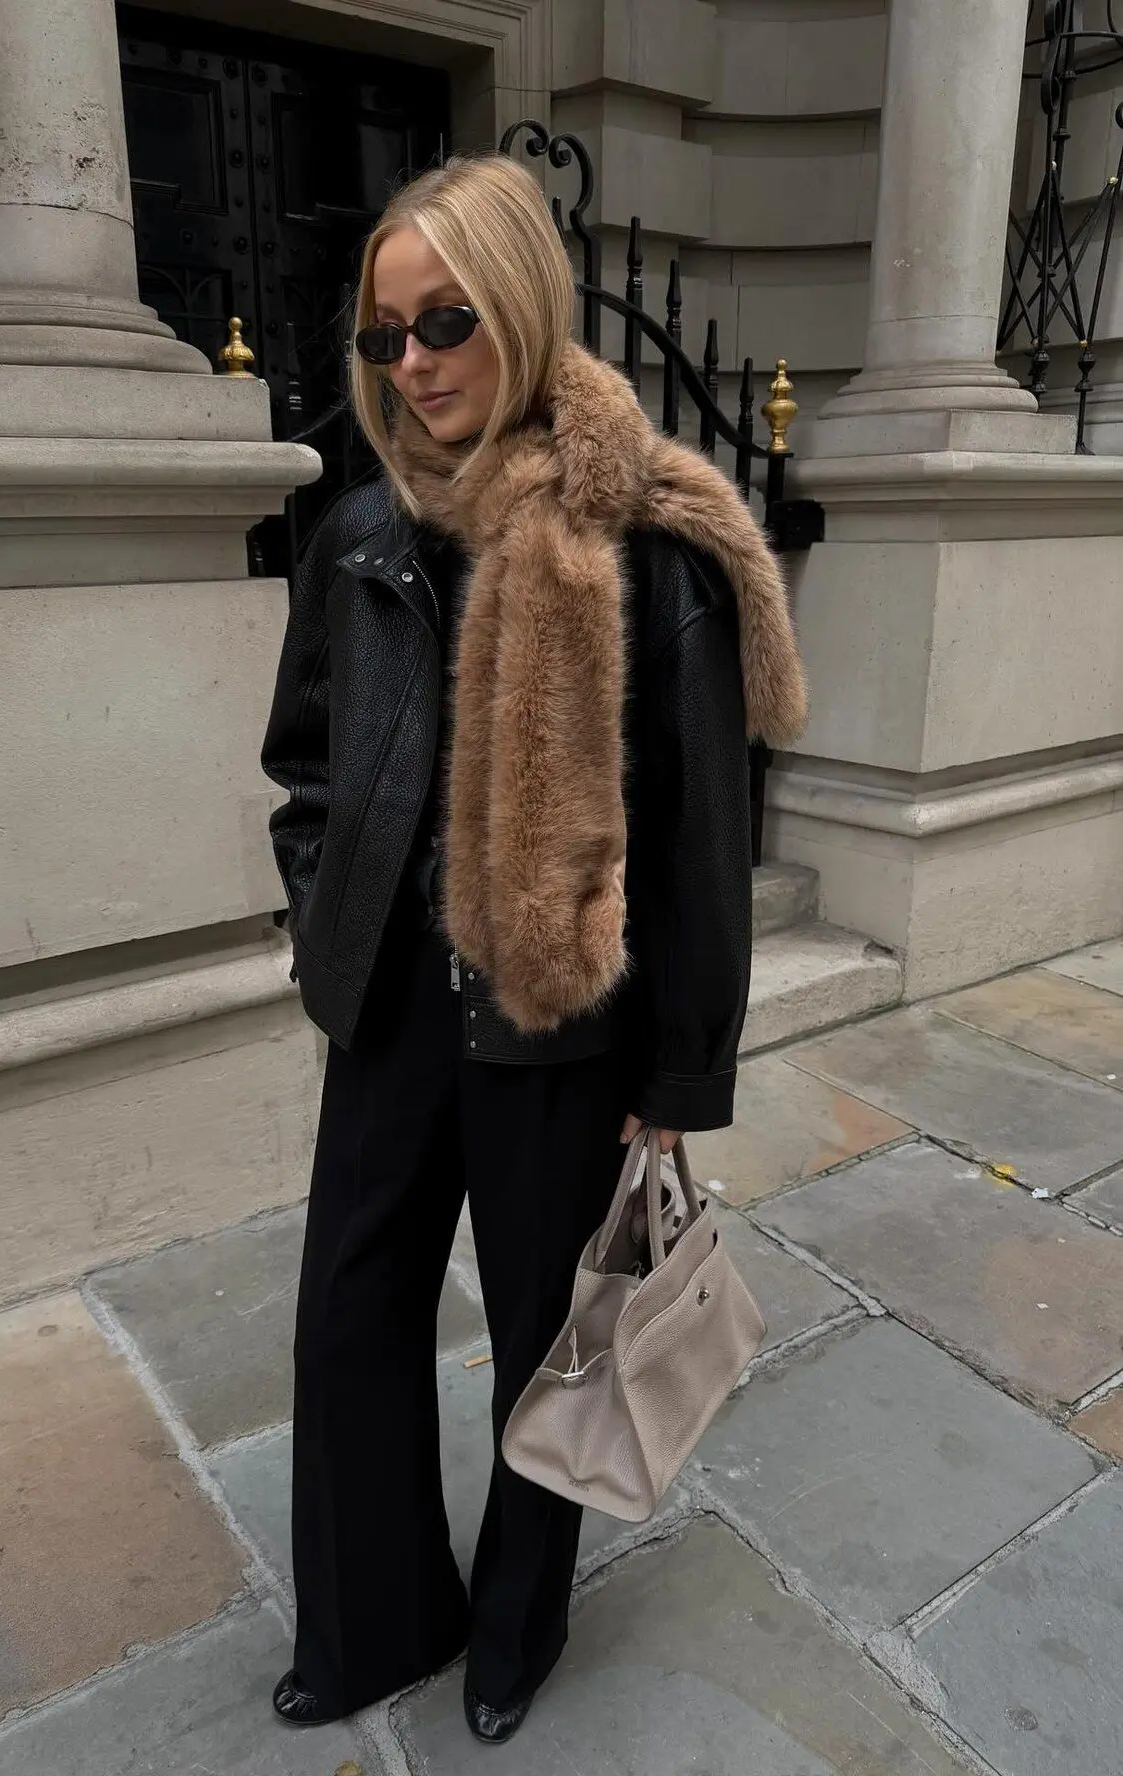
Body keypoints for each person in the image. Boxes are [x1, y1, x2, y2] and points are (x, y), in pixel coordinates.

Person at [261, 152, 807, 1745]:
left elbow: (702, 836)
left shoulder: (647, 548)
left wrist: (680, 1078)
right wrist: (328, 909)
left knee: (540, 1342)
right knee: (348, 1316)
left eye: (445, 322)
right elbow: (305, 765)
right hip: (390, 1007)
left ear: (519, 303)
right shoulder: (359, 533)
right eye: (385, 336)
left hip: (559, 1026)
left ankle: (517, 1627)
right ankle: (371, 1621)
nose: (413, 365)